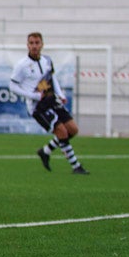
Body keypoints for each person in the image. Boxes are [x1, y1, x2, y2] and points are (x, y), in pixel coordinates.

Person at [9, 32, 89, 175]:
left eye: (37, 43)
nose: (34, 46)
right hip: (37, 106)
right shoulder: (22, 65)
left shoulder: (47, 60)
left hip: (51, 99)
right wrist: (32, 95)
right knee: (62, 131)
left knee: (73, 130)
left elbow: (52, 78)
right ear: (27, 45)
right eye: (31, 43)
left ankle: (45, 151)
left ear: (42, 44)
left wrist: (60, 94)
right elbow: (12, 86)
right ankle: (76, 166)